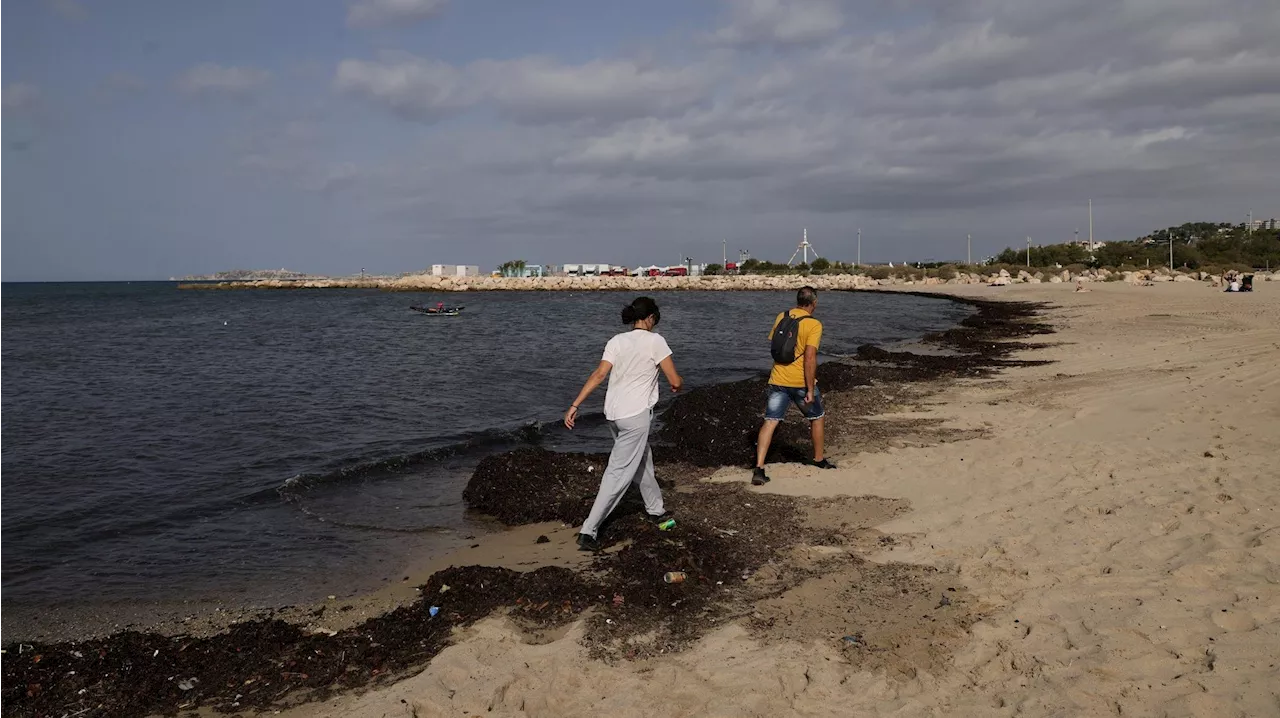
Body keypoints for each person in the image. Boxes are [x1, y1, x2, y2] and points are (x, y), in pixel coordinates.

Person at [564, 297, 683, 551]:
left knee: (642, 459)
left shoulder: (616, 341)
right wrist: (676, 383)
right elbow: (674, 379)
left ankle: (656, 510)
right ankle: (589, 530)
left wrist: (575, 405)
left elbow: (599, 375)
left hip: (613, 414)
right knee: (617, 474)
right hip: (635, 415)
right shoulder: (656, 341)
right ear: (650, 318)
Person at [753, 286, 834, 486]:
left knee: (770, 421)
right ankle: (818, 460)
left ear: (798, 300)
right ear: (814, 303)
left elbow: (775, 344)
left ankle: (759, 467)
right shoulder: (813, 324)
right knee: (817, 418)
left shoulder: (783, 315)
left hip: (777, 379)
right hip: (799, 382)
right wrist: (809, 389)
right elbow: (809, 357)